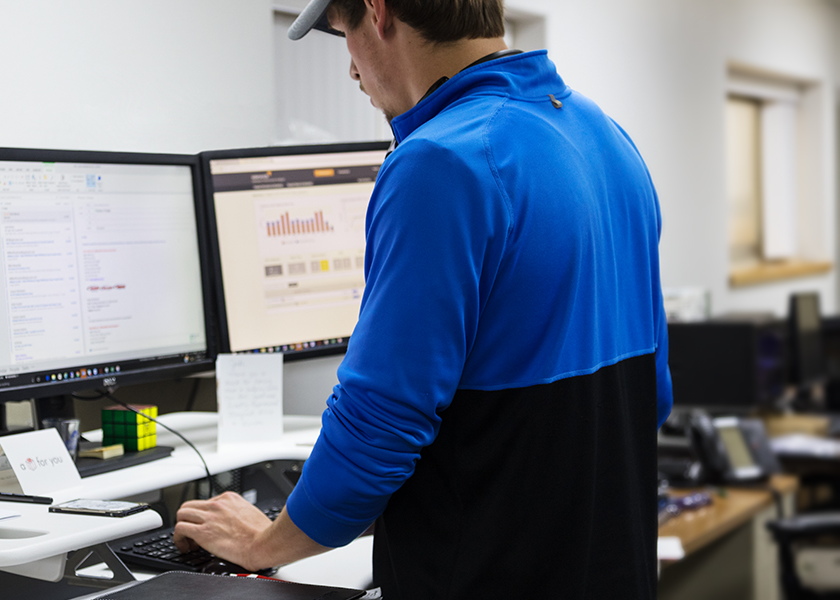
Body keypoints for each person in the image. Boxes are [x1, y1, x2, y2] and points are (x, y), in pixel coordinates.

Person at [173, 0, 673, 597]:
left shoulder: (440, 161)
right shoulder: (606, 136)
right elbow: (653, 394)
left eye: (345, 34)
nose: (352, 70)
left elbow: (379, 427)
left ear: (378, 12)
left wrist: (264, 543)